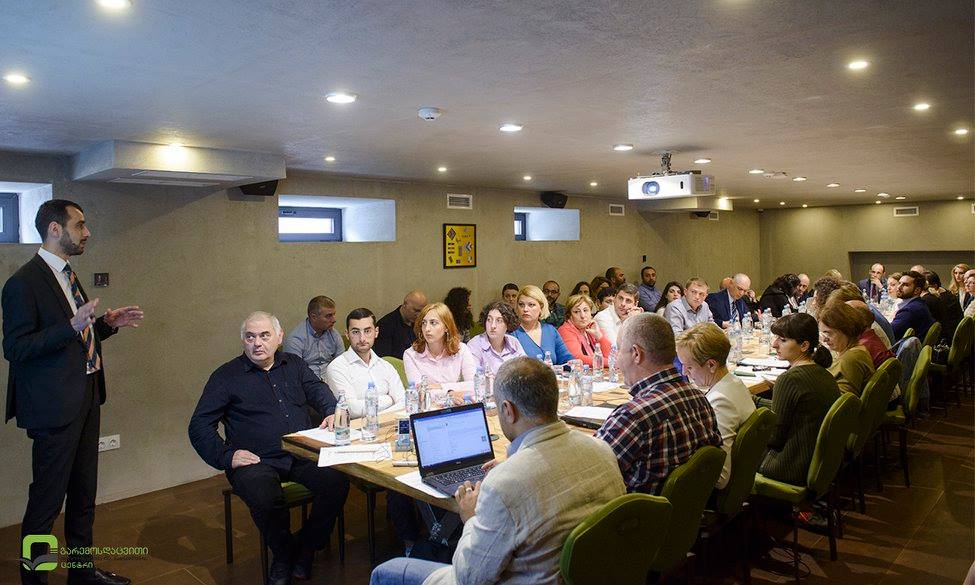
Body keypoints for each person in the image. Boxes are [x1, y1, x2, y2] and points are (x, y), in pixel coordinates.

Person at [369, 357, 626, 585]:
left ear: (507, 410)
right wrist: (512, 466)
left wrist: (471, 518)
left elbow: (469, 578)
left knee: (387, 571)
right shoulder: (601, 451)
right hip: (596, 575)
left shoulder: (505, 484)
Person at [4, 199, 143, 585]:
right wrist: (71, 326)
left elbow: (76, 337)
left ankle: (82, 574)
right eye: (79, 225)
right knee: (45, 505)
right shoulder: (23, 283)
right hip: (53, 409)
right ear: (54, 229)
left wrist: (106, 325)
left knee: (83, 496)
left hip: (86, 397)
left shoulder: (67, 274)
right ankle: (36, 579)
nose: (87, 232)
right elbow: (15, 348)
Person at [189, 312, 349, 585]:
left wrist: (332, 410)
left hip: (300, 452)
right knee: (265, 498)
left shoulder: (294, 364)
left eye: (264, 335)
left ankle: (307, 547)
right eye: (250, 337)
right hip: (256, 460)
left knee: (338, 480)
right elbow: (199, 425)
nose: (257, 343)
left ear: (279, 337)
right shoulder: (226, 376)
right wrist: (227, 455)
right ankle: (284, 555)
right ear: (243, 340)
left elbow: (317, 389)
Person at [596, 313, 721, 494]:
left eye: (619, 349)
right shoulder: (700, 399)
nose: (617, 359)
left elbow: (586, 477)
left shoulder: (632, 417)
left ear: (636, 354)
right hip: (689, 507)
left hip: (637, 511)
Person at [759, 313, 840, 485]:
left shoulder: (789, 379)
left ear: (804, 345)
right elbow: (792, 410)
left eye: (782, 340)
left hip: (789, 465)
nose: (774, 344)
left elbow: (774, 438)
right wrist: (755, 401)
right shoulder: (822, 373)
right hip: (817, 461)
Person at [675, 323, 756, 488]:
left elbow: (721, 476)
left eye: (689, 367)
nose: (684, 372)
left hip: (723, 491)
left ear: (711, 365)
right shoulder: (735, 382)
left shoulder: (719, 401)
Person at [325, 308, 405, 418]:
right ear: (347, 334)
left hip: (389, 425)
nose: (362, 338)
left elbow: (403, 403)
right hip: (356, 427)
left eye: (367, 331)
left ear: (376, 332)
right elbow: (352, 410)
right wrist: (389, 399)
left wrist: (374, 413)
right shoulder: (337, 367)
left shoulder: (386, 366)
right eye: (355, 332)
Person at [402, 302, 477, 386]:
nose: (427, 329)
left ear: (446, 327)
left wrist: (442, 388)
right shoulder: (411, 354)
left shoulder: (461, 349)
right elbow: (419, 390)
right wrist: (454, 389)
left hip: (454, 395)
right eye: (424, 323)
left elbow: (474, 385)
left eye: (433, 323)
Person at [818, 301, 876, 397]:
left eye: (828, 333)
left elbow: (844, 401)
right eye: (823, 333)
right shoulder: (851, 350)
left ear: (846, 330)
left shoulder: (852, 358)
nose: (824, 339)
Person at [511, 285, 574, 364]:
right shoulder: (512, 333)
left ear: (541, 307)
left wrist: (574, 362)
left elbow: (565, 357)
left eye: (531, 305)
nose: (525, 309)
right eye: (521, 304)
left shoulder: (550, 330)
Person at [284, 296, 342, 379]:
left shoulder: (334, 334)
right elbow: (295, 374)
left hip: (331, 379)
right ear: (314, 317)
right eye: (328, 316)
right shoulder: (295, 340)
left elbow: (342, 364)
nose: (334, 320)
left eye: (334, 314)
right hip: (307, 382)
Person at [466, 301, 526, 373]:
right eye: (489, 320)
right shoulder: (475, 344)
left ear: (508, 324)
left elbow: (526, 369)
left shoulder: (514, 342)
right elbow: (474, 376)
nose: (493, 326)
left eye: (499, 321)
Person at [558, 293, 613, 366]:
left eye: (585, 310)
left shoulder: (592, 327)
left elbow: (611, 355)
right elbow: (577, 358)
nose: (583, 316)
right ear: (569, 315)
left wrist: (600, 337)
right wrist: (611, 363)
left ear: (591, 312)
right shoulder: (565, 330)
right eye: (576, 312)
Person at [375, 290, 428, 359]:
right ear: (405, 304)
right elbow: (385, 358)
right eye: (416, 310)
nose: (418, 315)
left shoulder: (420, 323)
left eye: (421, 311)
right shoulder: (385, 325)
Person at [891, 271, 935, 341]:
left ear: (917, 290)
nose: (899, 287)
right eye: (899, 283)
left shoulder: (911, 310)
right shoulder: (918, 303)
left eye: (905, 285)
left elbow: (890, 332)